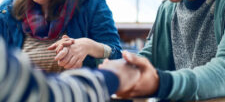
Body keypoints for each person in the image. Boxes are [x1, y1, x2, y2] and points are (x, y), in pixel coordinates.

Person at [0, 36, 140, 102]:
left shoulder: (89, 1)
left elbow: (115, 53)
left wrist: (88, 45)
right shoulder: (7, 9)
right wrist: (111, 77)